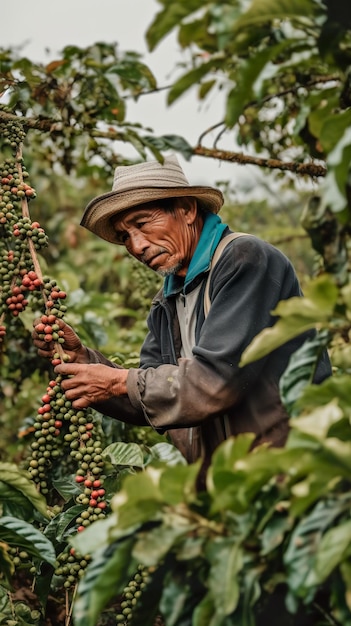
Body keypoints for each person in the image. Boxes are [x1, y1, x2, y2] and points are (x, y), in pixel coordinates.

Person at [33, 155, 331, 487]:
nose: (137, 246)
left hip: (292, 479)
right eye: (124, 237)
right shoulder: (168, 301)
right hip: (230, 490)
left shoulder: (245, 261)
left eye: (143, 223)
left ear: (188, 209)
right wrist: (86, 361)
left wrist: (115, 381)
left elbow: (213, 384)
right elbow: (148, 398)